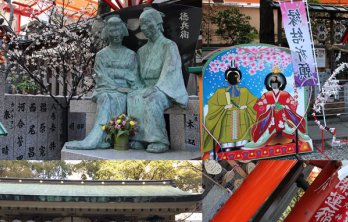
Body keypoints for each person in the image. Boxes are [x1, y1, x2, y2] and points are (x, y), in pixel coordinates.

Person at [66, 15, 138, 150]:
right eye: (112, 31)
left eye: (118, 31)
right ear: (108, 34)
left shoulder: (131, 55)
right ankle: (99, 138)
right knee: (106, 97)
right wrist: (116, 84)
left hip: (125, 90)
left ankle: (110, 137)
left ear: (123, 33)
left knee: (121, 97)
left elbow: (134, 77)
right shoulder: (101, 55)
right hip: (106, 90)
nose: (116, 35)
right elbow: (100, 76)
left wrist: (124, 85)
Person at [127, 7, 188, 153]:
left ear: (157, 24)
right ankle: (138, 138)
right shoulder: (141, 51)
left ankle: (159, 140)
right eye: (143, 25)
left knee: (152, 98)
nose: (145, 28)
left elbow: (171, 70)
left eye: (148, 24)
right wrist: (138, 86)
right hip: (146, 86)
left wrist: (157, 88)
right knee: (133, 96)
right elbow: (137, 74)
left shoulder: (168, 45)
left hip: (165, 89)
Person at [243, 70, 311, 149]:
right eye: (272, 83)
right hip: (270, 117)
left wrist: (284, 106)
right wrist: (269, 106)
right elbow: (258, 105)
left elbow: (292, 104)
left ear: (280, 84)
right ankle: (261, 138)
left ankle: (298, 133)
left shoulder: (285, 94)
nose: (275, 85)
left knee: (293, 124)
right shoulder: (267, 95)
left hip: (284, 116)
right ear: (270, 84)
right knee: (263, 125)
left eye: (276, 83)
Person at [203, 61, 258, 153]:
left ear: (239, 79)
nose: (234, 78)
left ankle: (242, 143)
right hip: (227, 119)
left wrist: (246, 106)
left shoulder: (244, 91)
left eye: (236, 76)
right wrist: (224, 107)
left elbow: (254, 102)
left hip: (242, 119)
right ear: (226, 78)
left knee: (241, 145)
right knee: (227, 147)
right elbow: (212, 105)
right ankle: (227, 145)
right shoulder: (220, 92)